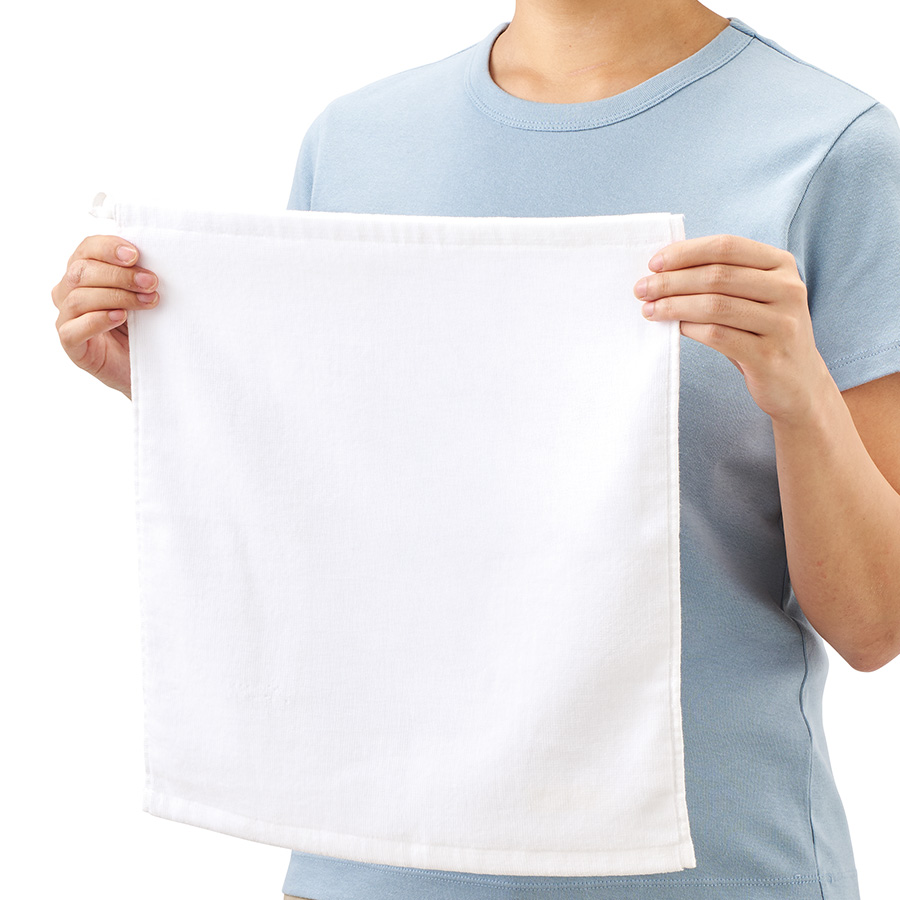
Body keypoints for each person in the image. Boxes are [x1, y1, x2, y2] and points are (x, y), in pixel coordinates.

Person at [51, 2, 900, 899]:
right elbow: (342, 503)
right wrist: (180, 382)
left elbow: (874, 626)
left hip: (710, 873)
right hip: (367, 866)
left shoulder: (833, 150)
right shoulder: (357, 143)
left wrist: (801, 393)